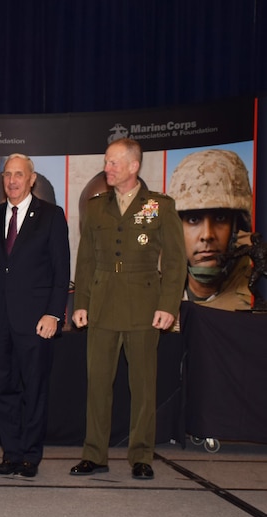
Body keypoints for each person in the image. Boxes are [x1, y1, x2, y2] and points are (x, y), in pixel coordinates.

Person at [70, 138, 185, 480]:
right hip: (103, 302)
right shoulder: (95, 206)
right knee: (98, 384)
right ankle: (95, 454)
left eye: (114, 163)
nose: (107, 168)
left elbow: (177, 261)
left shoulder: (160, 206)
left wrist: (168, 306)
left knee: (143, 385)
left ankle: (141, 456)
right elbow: (86, 259)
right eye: (106, 162)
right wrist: (81, 303)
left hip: (143, 304)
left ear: (134, 167)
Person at [0, 154, 70, 478]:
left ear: (32, 179)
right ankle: (11, 454)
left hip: (35, 322)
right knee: (2, 390)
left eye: (18, 174)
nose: (12, 180)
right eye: (7, 174)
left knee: (34, 390)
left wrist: (54, 313)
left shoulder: (52, 216)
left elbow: (60, 271)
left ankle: (30, 456)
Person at [166, 149, 253, 311]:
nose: (207, 235)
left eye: (220, 218)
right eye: (194, 220)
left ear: (237, 227)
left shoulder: (257, 295)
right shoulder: (151, 293)